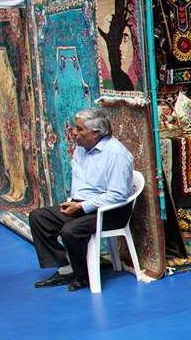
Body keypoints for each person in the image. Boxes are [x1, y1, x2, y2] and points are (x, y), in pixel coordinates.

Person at [29, 108, 134, 292]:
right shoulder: (81, 149)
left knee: (70, 231)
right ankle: (66, 268)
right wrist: (74, 203)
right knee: (39, 217)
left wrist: (82, 206)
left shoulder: (116, 154)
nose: (74, 133)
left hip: (110, 212)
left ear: (96, 133)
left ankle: (83, 276)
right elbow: (81, 182)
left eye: (79, 129)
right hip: (82, 205)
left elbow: (118, 195)